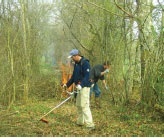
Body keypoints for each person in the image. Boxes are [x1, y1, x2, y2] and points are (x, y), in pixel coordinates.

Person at [63, 49, 95, 129]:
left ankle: (90, 125)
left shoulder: (85, 63)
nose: (71, 59)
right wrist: (67, 85)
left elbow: (88, 76)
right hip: (78, 87)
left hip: (84, 87)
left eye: (72, 57)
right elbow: (74, 77)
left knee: (84, 105)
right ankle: (80, 122)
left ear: (76, 55)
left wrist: (81, 84)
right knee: (78, 105)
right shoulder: (76, 64)